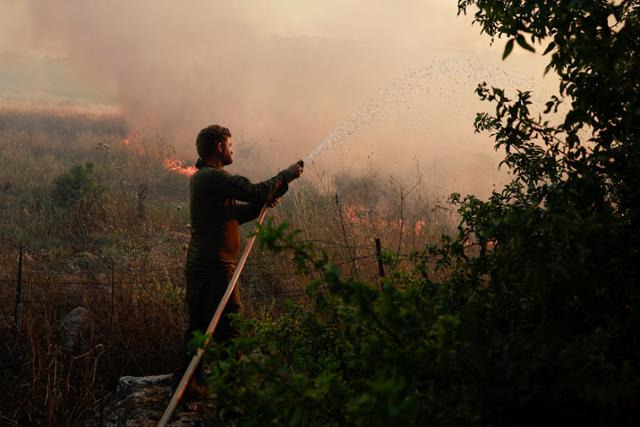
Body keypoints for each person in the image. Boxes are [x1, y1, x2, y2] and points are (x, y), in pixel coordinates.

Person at [173, 124, 303, 397]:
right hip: (215, 266)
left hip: (202, 263)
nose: (232, 150)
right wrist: (286, 176)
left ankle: (185, 384)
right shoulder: (215, 178)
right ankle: (234, 391)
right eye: (230, 145)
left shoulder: (204, 179)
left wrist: (267, 198)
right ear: (220, 147)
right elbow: (253, 191)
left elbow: (235, 215)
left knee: (199, 325)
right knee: (230, 325)